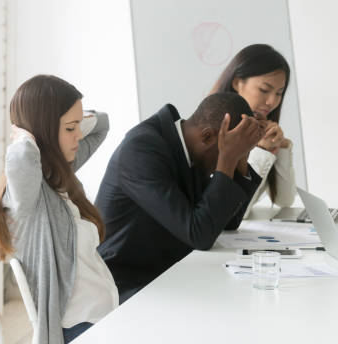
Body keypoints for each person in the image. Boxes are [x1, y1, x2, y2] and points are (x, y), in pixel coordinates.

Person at [0, 75, 117, 344]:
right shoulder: (27, 195)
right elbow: (21, 158)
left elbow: (102, 124)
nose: (79, 136)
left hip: (103, 318)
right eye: (70, 128)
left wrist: (72, 122)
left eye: (77, 126)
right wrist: (25, 134)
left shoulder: (56, 172)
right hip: (79, 331)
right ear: (42, 133)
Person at [96, 93, 264, 303]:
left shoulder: (189, 148)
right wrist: (227, 158)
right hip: (126, 283)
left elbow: (228, 222)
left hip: (170, 272)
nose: (221, 163)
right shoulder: (141, 150)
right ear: (207, 136)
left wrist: (239, 159)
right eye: (224, 153)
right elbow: (199, 235)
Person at [211, 44, 296, 217]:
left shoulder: (260, 127)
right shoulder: (215, 131)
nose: (272, 101)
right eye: (264, 90)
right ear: (237, 83)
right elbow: (233, 213)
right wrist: (262, 151)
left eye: (279, 93)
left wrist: (282, 148)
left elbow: (284, 200)